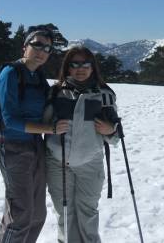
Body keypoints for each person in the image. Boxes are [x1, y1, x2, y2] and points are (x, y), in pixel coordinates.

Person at [0, 29, 69, 243]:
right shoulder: (11, 73)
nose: (42, 51)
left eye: (47, 48)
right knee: (20, 214)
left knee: (37, 215)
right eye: (37, 45)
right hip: (13, 147)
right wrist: (50, 130)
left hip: (36, 147)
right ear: (24, 46)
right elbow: (10, 121)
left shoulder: (38, 77)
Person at [44, 46, 119, 243]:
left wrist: (110, 130)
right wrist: (51, 127)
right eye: (74, 64)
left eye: (85, 64)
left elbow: (117, 134)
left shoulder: (105, 94)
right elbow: (41, 123)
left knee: (88, 212)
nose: (80, 68)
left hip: (90, 162)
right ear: (67, 68)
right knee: (64, 212)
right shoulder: (55, 92)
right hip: (57, 162)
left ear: (92, 67)